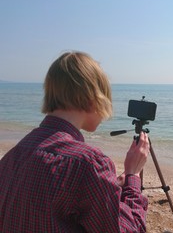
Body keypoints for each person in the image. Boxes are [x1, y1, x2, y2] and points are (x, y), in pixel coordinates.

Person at [0, 51, 150, 232]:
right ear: (93, 99)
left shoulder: (14, 154)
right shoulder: (88, 163)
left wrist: (108, 187)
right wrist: (133, 176)